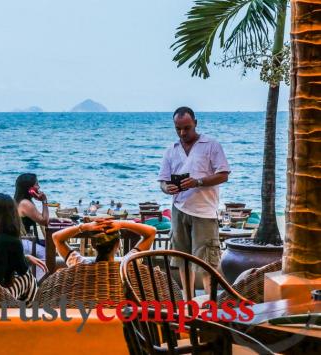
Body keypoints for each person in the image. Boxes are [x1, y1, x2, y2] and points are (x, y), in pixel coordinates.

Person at [158, 106, 230, 298]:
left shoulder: (211, 145)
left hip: (204, 212)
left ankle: (212, 307)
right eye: (178, 129)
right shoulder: (171, 150)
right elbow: (163, 182)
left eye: (187, 128)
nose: (182, 133)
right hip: (179, 209)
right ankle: (188, 303)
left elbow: (223, 175)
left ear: (195, 124)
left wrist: (198, 182)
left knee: (208, 263)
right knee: (182, 261)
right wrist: (168, 188)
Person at [0, 193, 46, 304]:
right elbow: (22, 270)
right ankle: (32, 311)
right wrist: (25, 259)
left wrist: (26, 257)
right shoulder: (12, 241)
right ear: (13, 214)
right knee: (29, 279)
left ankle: (27, 310)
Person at [52, 219, 155, 266]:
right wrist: (122, 223)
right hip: (121, 309)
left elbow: (56, 238)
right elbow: (151, 232)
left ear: (93, 245)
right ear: (118, 244)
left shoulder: (78, 264)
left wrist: (84, 227)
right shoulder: (129, 265)